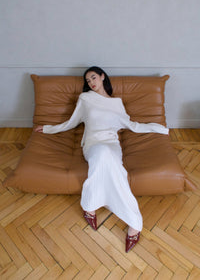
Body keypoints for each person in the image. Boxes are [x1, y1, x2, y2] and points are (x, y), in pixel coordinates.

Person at [35, 66, 169, 252]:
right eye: (88, 81)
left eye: (93, 78)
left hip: (112, 144)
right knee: (103, 155)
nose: (91, 83)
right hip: (93, 144)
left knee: (114, 164)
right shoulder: (85, 99)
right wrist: (48, 128)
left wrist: (160, 128)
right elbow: (71, 122)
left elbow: (133, 125)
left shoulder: (118, 104)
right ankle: (134, 223)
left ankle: (90, 205)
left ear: (102, 76)